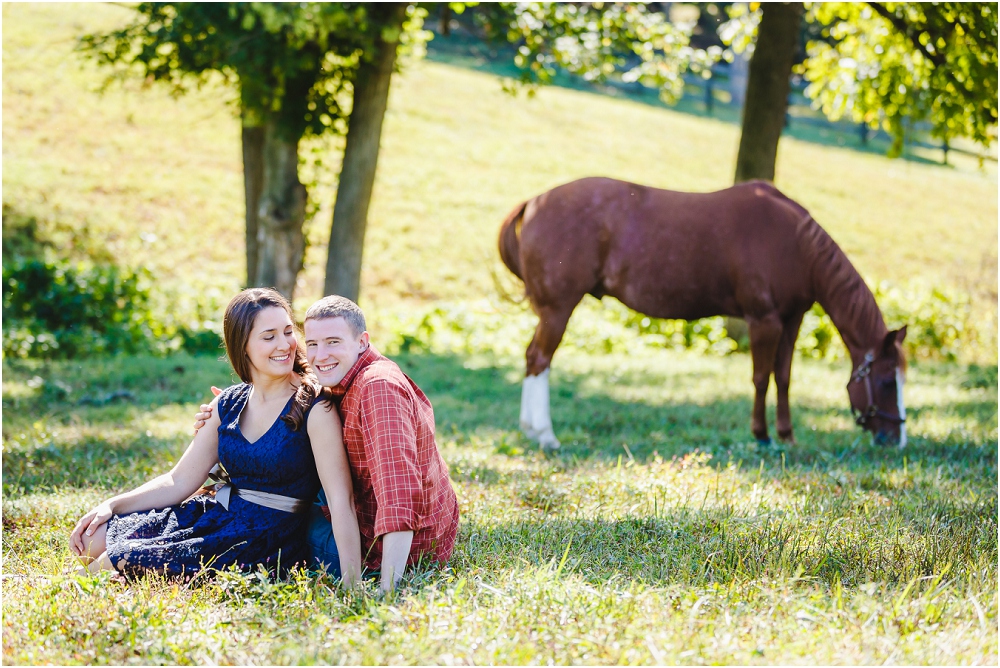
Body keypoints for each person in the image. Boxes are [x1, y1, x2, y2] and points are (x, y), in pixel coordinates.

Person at [70, 288, 362, 583]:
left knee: (120, 559)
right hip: (218, 514)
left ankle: (84, 583)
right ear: (243, 345)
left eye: (288, 332)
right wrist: (112, 505)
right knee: (92, 540)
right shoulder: (228, 403)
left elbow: (341, 501)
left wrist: (353, 585)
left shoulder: (314, 407)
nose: (285, 344)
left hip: (262, 538)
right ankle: (123, 572)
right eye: (269, 336)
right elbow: (179, 480)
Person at [196, 295, 460, 593]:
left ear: (362, 341)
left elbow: (397, 494)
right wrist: (240, 414)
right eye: (312, 344)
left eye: (333, 342)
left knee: (268, 525)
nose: (320, 355)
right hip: (380, 521)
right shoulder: (345, 376)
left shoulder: (378, 390)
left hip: (387, 549)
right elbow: (302, 379)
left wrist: (387, 590)